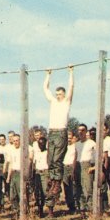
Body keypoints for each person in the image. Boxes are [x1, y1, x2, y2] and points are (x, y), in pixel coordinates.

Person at [43, 66, 74, 207]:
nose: (58, 96)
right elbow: (45, 89)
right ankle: (53, 181)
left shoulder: (67, 102)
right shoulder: (53, 102)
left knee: (57, 159)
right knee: (50, 160)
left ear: (64, 94)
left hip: (61, 132)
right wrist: (48, 75)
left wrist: (71, 72)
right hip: (52, 132)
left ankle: (56, 183)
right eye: (57, 94)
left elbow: (72, 86)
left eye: (60, 94)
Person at [75, 124, 97, 220]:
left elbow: (97, 156)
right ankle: (82, 211)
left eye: (83, 130)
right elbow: (75, 157)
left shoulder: (91, 143)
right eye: (79, 130)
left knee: (88, 190)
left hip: (87, 165)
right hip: (78, 166)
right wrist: (73, 170)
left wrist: (94, 167)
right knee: (79, 190)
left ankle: (91, 211)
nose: (81, 132)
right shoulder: (77, 144)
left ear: (86, 131)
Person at [33, 136, 50, 217]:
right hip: (37, 172)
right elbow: (34, 163)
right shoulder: (37, 153)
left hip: (45, 172)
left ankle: (50, 211)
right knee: (38, 192)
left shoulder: (48, 153)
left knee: (46, 192)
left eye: (42, 143)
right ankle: (40, 210)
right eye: (39, 143)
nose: (41, 145)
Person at [62, 130, 78, 215]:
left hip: (72, 166)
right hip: (64, 167)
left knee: (74, 187)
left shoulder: (75, 146)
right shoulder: (63, 147)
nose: (68, 140)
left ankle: (76, 206)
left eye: (70, 138)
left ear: (73, 138)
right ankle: (70, 207)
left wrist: (74, 169)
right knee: (66, 187)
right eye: (67, 138)